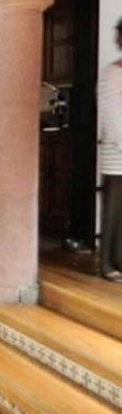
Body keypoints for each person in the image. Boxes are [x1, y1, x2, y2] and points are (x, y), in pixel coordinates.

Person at [98, 18, 122, 282]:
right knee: (114, 212)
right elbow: (113, 116)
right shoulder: (112, 74)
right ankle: (108, 265)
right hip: (117, 156)